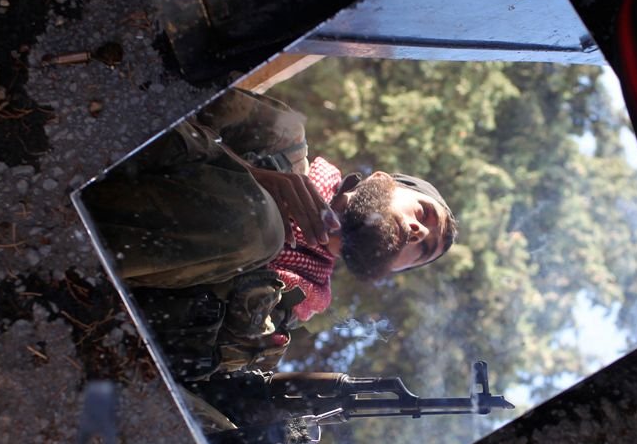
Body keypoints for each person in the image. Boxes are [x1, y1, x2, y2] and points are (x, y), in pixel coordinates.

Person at [81, 88, 457, 377]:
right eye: (423, 214)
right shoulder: (280, 138)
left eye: (423, 250)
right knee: (262, 229)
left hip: (80, 294)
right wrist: (248, 173)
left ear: (392, 269)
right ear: (382, 181)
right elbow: (140, 102)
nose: (417, 231)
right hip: (77, 184)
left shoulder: (287, 306)